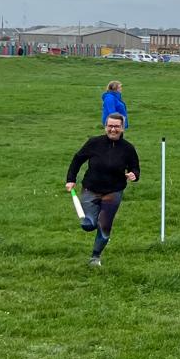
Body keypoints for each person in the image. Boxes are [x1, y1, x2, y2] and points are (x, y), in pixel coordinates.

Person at [65, 113, 139, 268]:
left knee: (104, 226)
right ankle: (92, 224)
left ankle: (95, 257)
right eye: (110, 126)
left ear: (122, 127)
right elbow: (77, 159)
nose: (113, 129)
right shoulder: (94, 143)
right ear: (106, 126)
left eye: (117, 126)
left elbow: (135, 168)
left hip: (114, 191)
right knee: (88, 224)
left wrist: (134, 175)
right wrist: (71, 179)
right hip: (91, 189)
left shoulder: (128, 148)